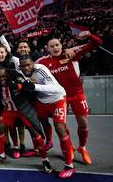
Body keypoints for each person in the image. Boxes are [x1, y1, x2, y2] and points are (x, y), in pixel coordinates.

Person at [36, 31, 103, 165]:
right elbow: (30, 69)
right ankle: (70, 147)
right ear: (47, 49)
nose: (56, 48)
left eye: (57, 45)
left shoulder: (71, 52)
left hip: (78, 94)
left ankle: (82, 148)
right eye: (52, 46)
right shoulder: (42, 62)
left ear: (61, 45)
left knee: (83, 122)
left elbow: (97, 43)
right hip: (61, 97)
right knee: (61, 125)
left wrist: (89, 35)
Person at [19, 55, 75, 179]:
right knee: (42, 123)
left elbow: (55, 88)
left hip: (57, 99)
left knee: (60, 129)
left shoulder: (41, 69)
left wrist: (34, 87)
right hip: (41, 101)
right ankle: (48, 144)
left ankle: (70, 165)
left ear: (33, 63)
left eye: (29, 65)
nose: (26, 68)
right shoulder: (20, 72)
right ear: (20, 67)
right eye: (23, 66)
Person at [0, 68, 52, 174]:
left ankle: (45, 160)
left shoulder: (16, 81)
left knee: (35, 133)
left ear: (8, 76)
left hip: (23, 110)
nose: (2, 79)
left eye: (4, 76)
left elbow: (31, 91)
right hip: (8, 111)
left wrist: (20, 86)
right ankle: (1, 155)